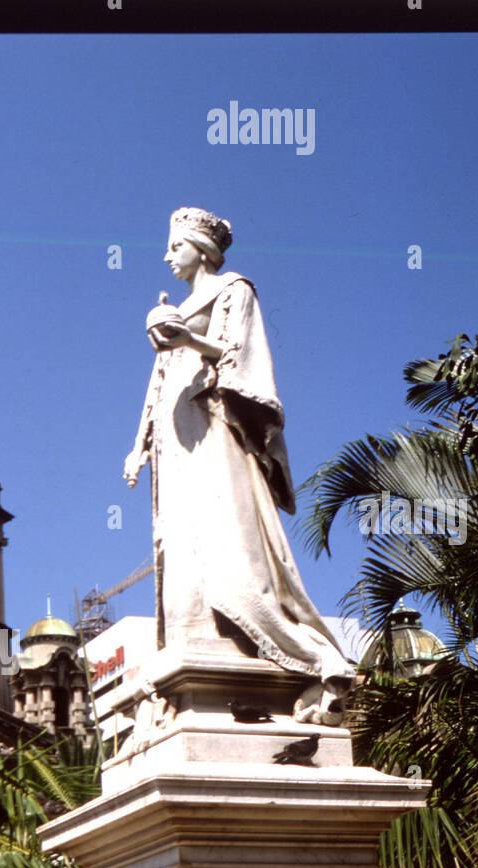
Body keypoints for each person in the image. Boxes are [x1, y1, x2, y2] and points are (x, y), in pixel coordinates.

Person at [122, 206, 354, 725]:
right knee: (178, 542)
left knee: (226, 534)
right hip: (176, 444)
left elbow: (238, 353)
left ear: (201, 250)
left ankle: (288, 647)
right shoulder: (174, 310)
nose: (167, 256)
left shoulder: (234, 290)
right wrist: (139, 445)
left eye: (175, 246)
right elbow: (159, 383)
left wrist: (187, 338)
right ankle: (192, 635)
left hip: (216, 427)